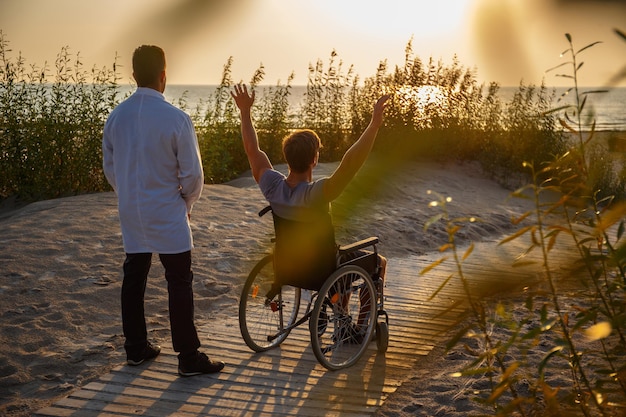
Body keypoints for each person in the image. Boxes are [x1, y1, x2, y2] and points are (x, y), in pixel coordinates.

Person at [102, 45, 224, 376]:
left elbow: (110, 166)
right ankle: (187, 357)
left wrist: (127, 193)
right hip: (169, 209)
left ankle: (136, 348)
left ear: (133, 76)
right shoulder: (177, 119)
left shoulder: (116, 117)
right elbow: (193, 175)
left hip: (132, 210)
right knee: (179, 280)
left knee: (134, 276)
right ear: (163, 76)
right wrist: (187, 201)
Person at [231, 83, 390, 333]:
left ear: (286, 158)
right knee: (376, 262)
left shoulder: (272, 186)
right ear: (314, 159)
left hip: (289, 265)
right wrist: (374, 125)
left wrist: (245, 111)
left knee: (342, 262)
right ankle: (359, 329)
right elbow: (351, 163)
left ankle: (340, 313)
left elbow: (253, 150)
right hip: (322, 269)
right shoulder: (319, 193)